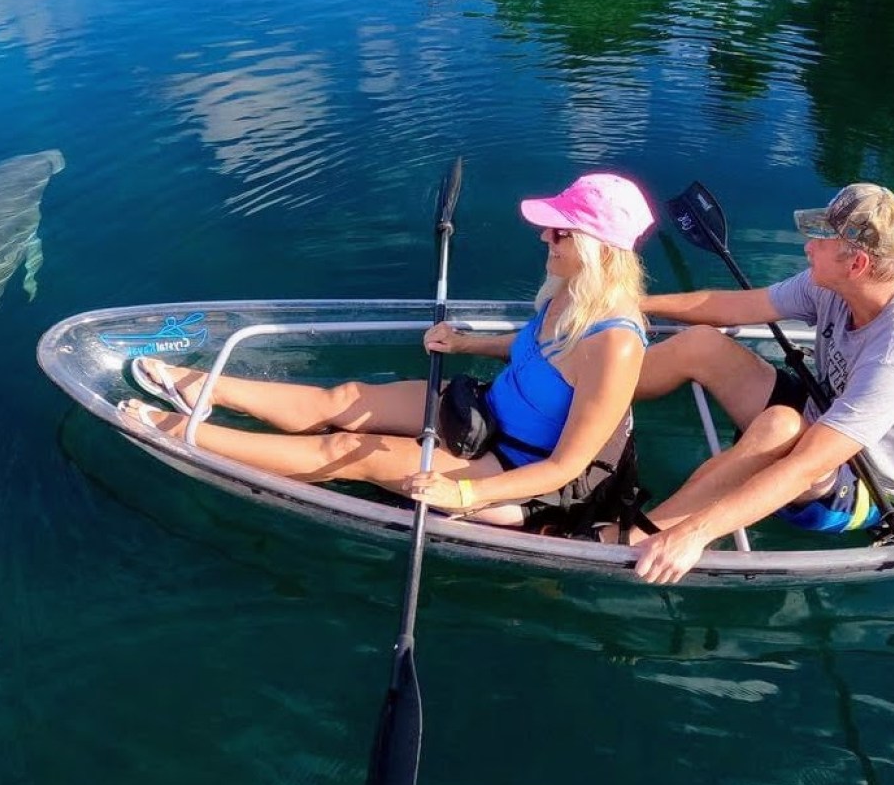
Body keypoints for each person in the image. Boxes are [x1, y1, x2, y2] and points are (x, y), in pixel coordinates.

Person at [118, 173, 655, 527]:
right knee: (346, 396)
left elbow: (565, 467)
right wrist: (467, 342)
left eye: (559, 233)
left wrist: (460, 497)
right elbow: (536, 355)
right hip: (487, 412)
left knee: (345, 452)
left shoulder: (616, 345)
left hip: (518, 471)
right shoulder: (569, 292)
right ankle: (195, 388)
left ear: (595, 250)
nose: (545, 239)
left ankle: (183, 434)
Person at [624, 183, 894, 584]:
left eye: (821, 239)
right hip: (820, 415)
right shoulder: (830, 284)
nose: (808, 246)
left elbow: (804, 467)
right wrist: (636, 304)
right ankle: (578, 398)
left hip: (858, 485)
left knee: (780, 425)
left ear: (857, 264)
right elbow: (737, 305)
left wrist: (697, 533)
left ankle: (638, 538)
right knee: (703, 343)